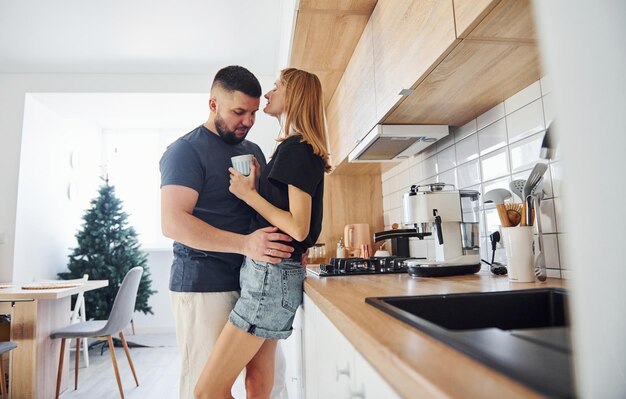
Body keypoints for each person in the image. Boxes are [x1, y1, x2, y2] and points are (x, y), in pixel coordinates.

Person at [160, 65, 296, 399]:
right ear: (213, 105)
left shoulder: (251, 151)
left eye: (252, 112)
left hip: (252, 283)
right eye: (239, 112)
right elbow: (172, 222)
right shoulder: (185, 151)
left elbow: (260, 210)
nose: (248, 121)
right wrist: (246, 245)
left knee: (269, 383)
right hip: (204, 284)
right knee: (207, 387)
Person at [194, 68, 330, 399]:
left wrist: (248, 194)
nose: (268, 94)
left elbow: (298, 225)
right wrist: (258, 188)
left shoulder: (297, 148)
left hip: (270, 277)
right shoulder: (296, 147)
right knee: (257, 386)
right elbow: (293, 219)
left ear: (294, 96)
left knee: (207, 392)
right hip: (272, 273)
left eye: (277, 87)